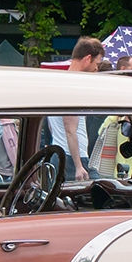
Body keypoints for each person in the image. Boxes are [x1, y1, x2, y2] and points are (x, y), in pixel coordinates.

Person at [47, 36, 105, 180]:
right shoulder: (71, 87)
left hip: (61, 153)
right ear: (87, 59)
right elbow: (70, 129)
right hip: (72, 158)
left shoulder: (59, 83)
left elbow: (51, 124)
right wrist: (78, 165)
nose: (97, 69)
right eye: (97, 63)